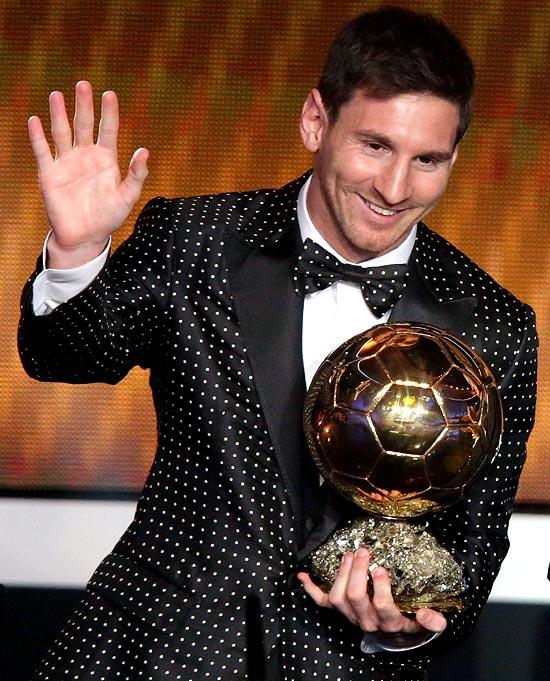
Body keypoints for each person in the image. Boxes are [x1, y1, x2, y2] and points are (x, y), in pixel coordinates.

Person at [19, 6, 537, 681]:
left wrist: (407, 624)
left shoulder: (495, 324)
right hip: (154, 653)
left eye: (428, 159)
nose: (394, 187)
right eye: (374, 146)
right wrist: (78, 251)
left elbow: (474, 547)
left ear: (455, 155)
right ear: (315, 122)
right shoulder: (196, 238)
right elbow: (65, 353)